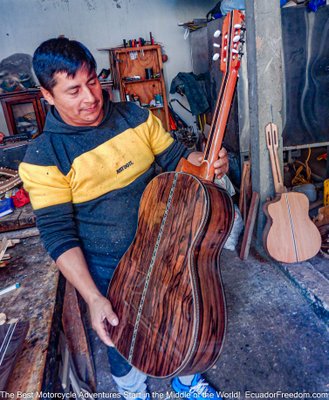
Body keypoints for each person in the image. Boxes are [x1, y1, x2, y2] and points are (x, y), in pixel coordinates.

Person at [19, 38, 229, 399]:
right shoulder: (44, 155)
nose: (90, 97)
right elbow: (58, 235)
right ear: (47, 95)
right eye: (73, 91)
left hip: (169, 247)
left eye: (92, 82)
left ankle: (185, 379)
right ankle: (133, 391)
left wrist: (207, 161)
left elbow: (177, 160)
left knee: (186, 319)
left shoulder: (134, 116)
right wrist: (92, 297)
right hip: (110, 271)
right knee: (123, 339)